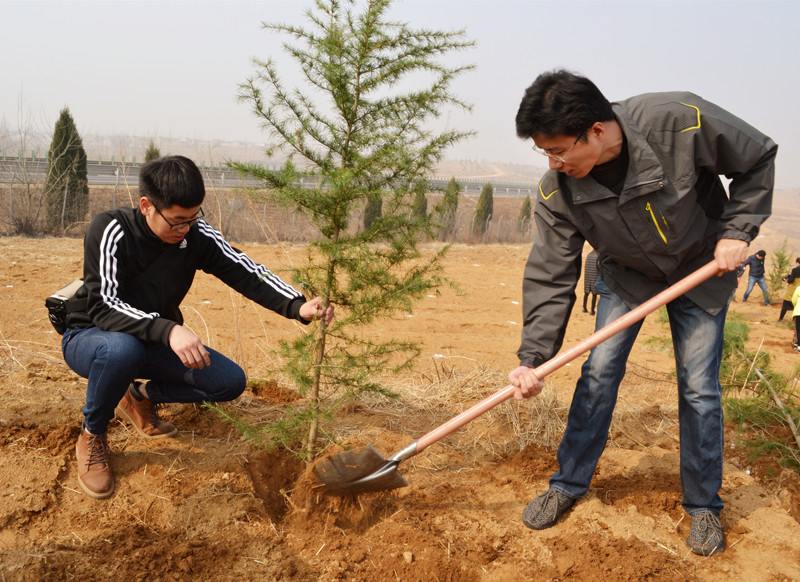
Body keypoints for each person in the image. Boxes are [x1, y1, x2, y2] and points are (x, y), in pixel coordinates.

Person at [509, 70, 776, 556]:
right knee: (599, 372)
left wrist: (738, 230)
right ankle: (568, 483)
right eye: (543, 152)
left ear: (597, 129)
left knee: (699, 388)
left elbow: (757, 155)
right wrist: (533, 358)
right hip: (627, 275)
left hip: (702, 266)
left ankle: (702, 506)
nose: (553, 163)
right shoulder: (557, 190)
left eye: (559, 149)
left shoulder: (677, 121)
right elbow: (551, 272)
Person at [62, 155, 334, 500]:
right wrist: (169, 330)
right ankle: (93, 434)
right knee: (121, 350)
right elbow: (103, 305)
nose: (185, 229)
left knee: (228, 382)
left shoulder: (195, 236)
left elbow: (246, 270)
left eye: (193, 219)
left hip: (149, 343)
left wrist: (297, 305)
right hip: (92, 337)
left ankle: (137, 396)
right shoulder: (111, 229)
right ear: (147, 206)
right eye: (177, 221)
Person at [778, 257, 800, 322]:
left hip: (792, 290)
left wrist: (787, 279)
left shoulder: (795, 270)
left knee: (785, 305)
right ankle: (795, 320)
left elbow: (791, 280)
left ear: (797, 262)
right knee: (797, 306)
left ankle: (780, 319)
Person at [582, 248, 600, 315]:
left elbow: (586, 265)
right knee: (594, 294)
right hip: (595, 275)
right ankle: (592, 310)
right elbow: (598, 266)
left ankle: (584, 308)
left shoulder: (589, 255)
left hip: (588, 275)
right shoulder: (597, 256)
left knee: (586, 292)